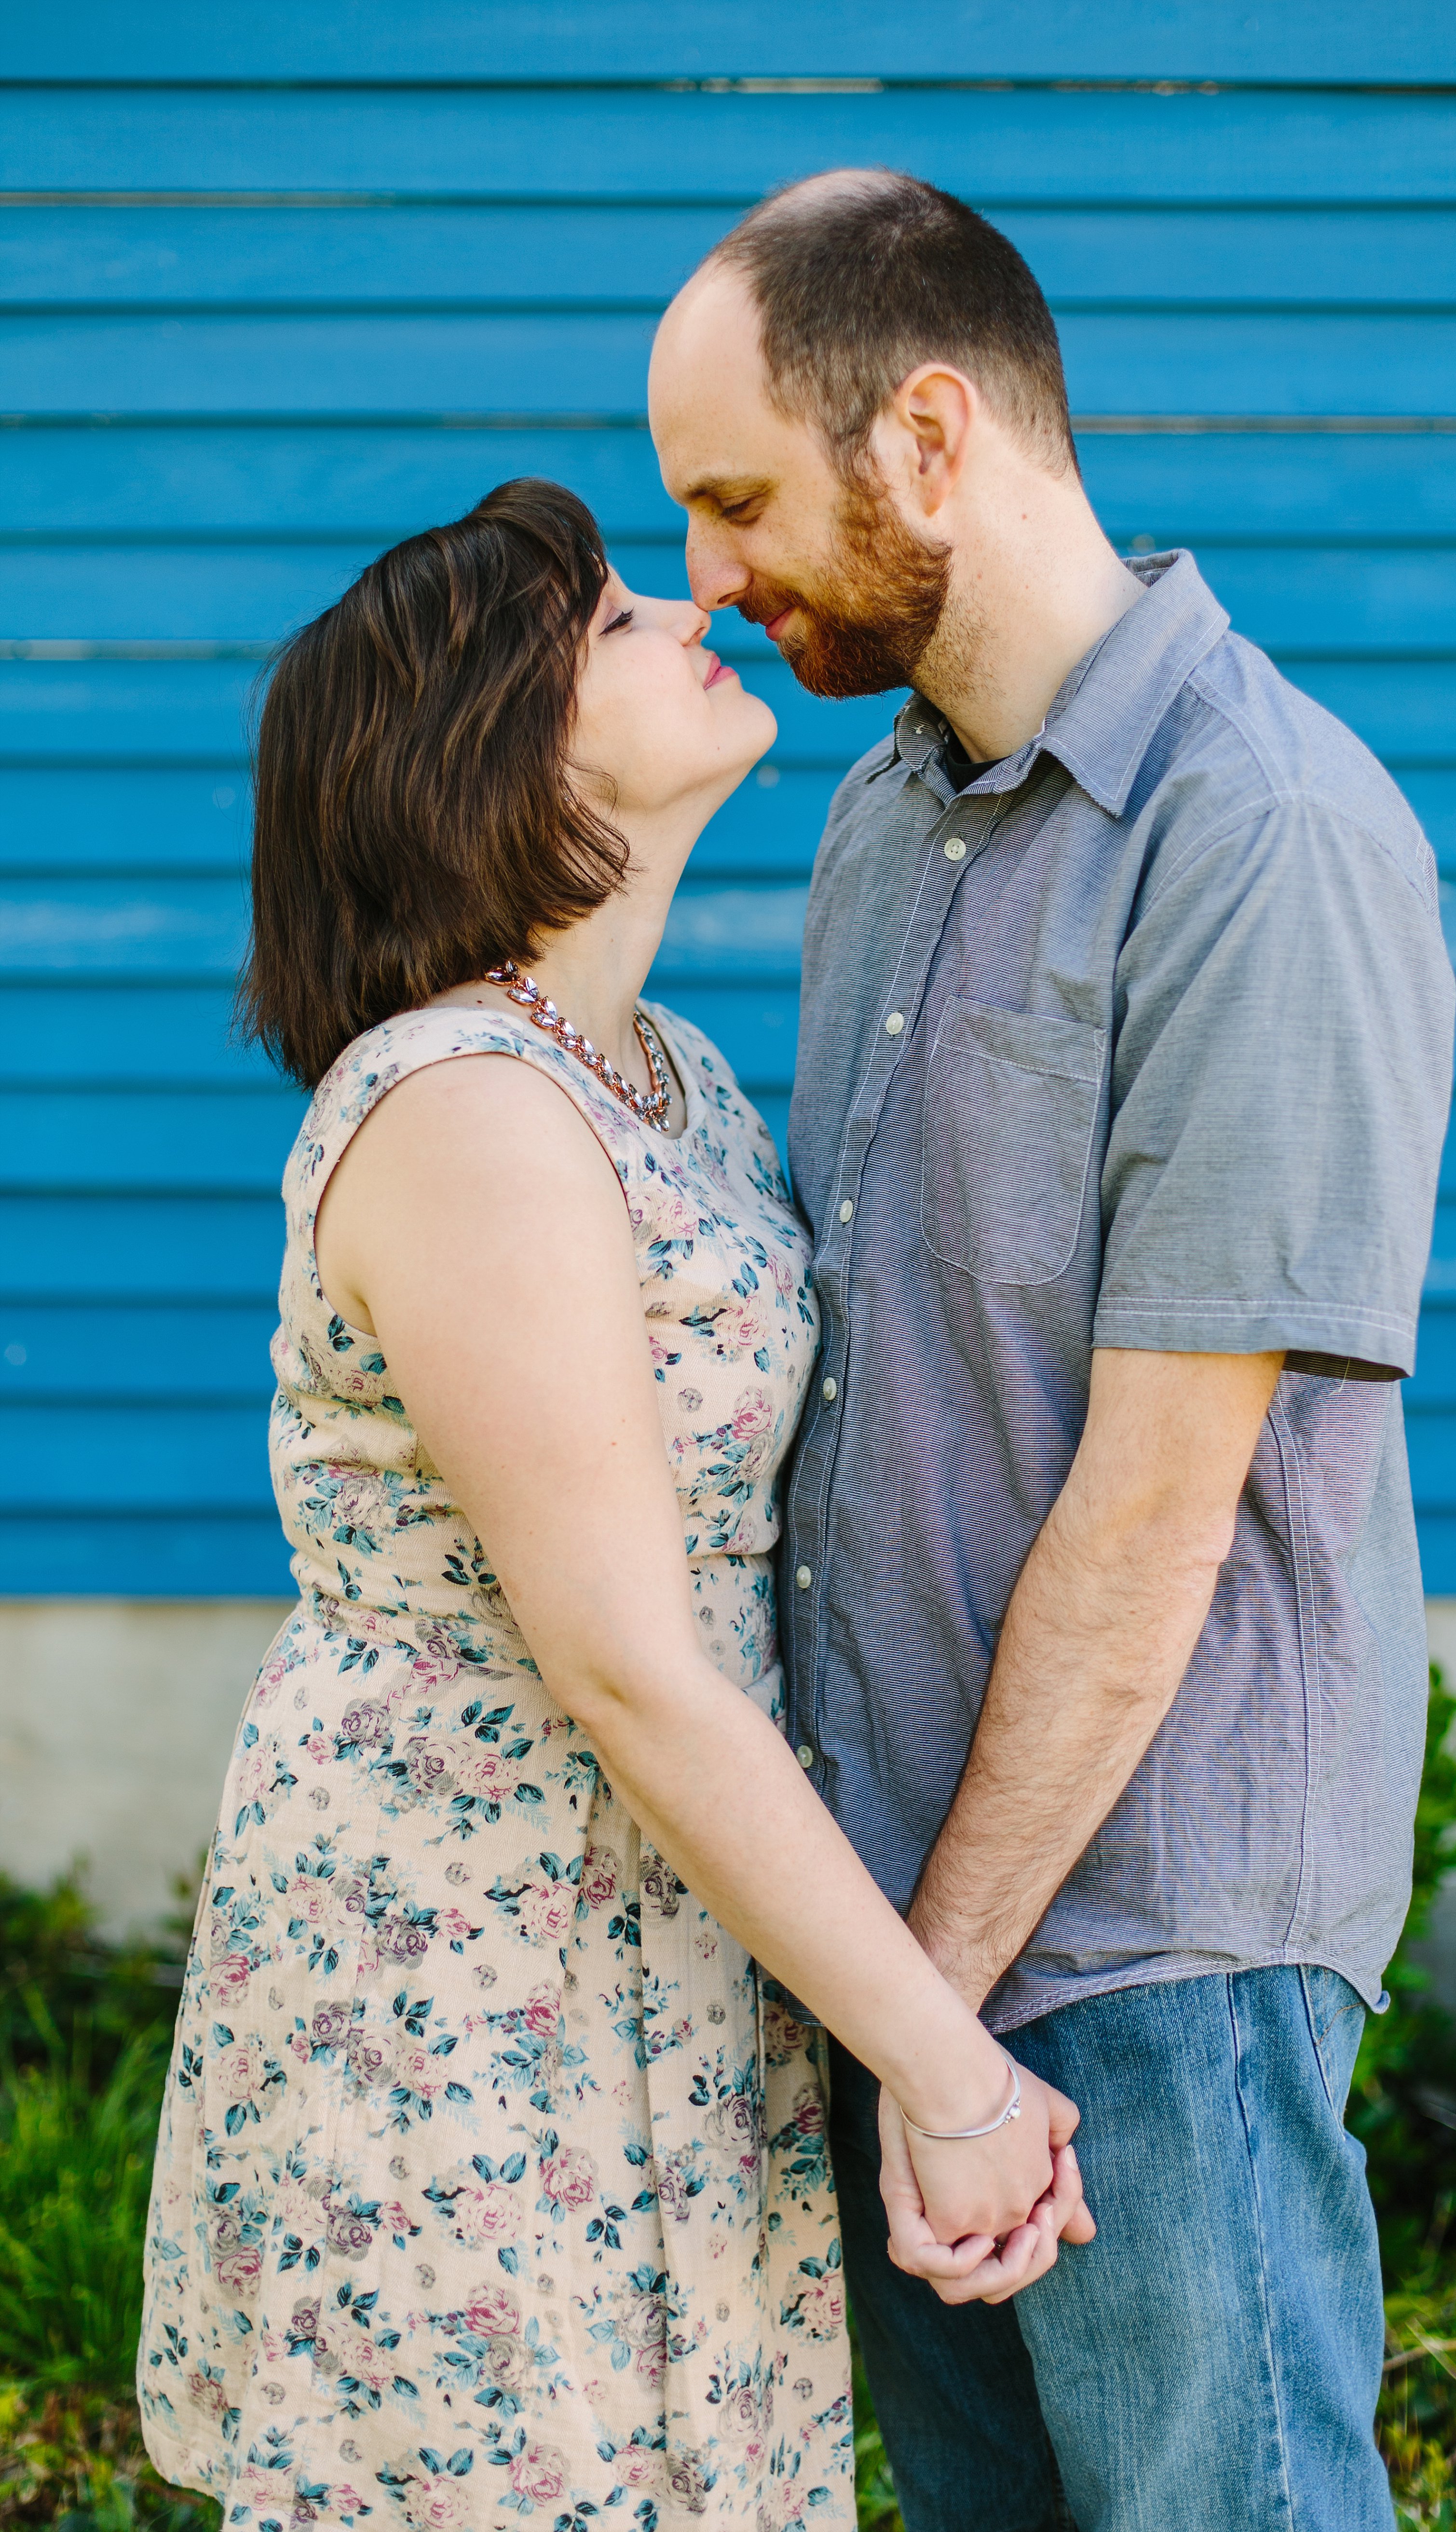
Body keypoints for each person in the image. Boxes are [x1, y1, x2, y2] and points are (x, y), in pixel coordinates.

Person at [136, 478, 1090, 2532]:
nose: (687, 610)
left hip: (651, 1931)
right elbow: (623, 1657)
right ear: (491, 742)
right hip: (467, 1959)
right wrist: (946, 2067)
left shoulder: (655, 1069)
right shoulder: (463, 1108)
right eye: (604, 617)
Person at [648, 174, 1456, 2532]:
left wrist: (945, 2015)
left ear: (923, 435)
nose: (703, 571)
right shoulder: (877, 827)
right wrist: (895, 2007)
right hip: (912, 1945)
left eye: (732, 500)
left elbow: (1149, 1503)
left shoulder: (1262, 833)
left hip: (1137, 1960)